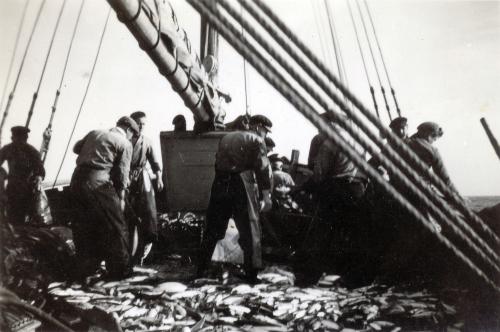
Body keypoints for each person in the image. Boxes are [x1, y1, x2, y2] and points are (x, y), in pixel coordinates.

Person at [197, 114, 273, 281]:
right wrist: (266, 195)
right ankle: (251, 274)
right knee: (250, 229)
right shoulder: (256, 140)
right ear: (258, 126)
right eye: (265, 131)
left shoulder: (226, 137)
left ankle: (200, 269)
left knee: (212, 228)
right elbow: (263, 168)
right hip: (241, 184)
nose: (265, 135)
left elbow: (217, 163)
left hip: (220, 183)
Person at [70, 116, 139, 280]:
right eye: (133, 135)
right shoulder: (125, 143)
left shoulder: (95, 132)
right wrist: (121, 199)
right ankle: (120, 271)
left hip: (76, 180)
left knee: (84, 226)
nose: (132, 138)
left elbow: (76, 148)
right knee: (117, 226)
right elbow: (123, 174)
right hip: (98, 182)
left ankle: (86, 269)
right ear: (129, 130)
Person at [129, 111, 163, 264]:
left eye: (144, 124)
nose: (141, 126)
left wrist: (160, 178)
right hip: (126, 178)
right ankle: (128, 255)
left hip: (143, 179)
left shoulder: (147, 142)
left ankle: (142, 255)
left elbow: (155, 163)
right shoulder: (124, 140)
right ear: (132, 124)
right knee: (128, 218)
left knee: (149, 215)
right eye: (138, 123)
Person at [0, 126, 45, 225]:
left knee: (20, 219)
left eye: (23, 138)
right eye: (17, 138)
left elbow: (41, 172)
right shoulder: (8, 149)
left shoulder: (31, 151)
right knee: (11, 218)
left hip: (27, 191)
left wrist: (37, 179)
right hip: (11, 189)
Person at [408, 121, 459, 195]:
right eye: (434, 140)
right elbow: (444, 179)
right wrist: (458, 197)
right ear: (429, 135)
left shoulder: (401, 143)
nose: (432, 143)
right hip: (419, 192)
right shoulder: (431, 150)